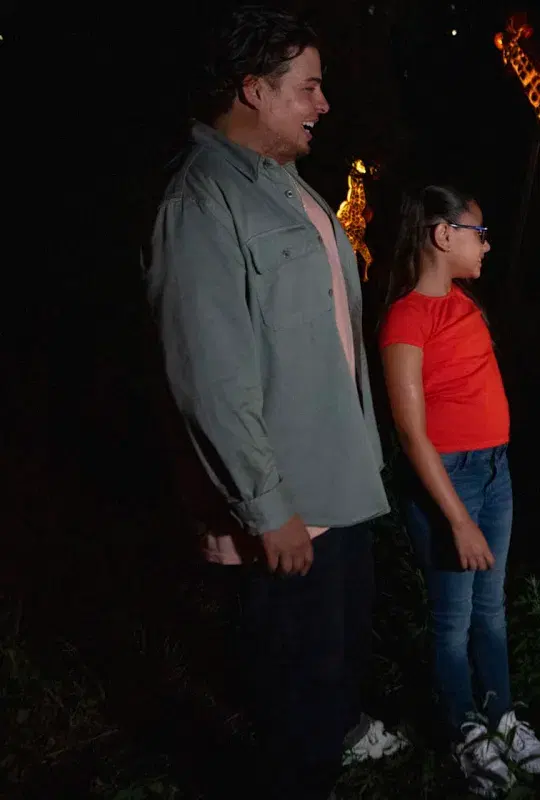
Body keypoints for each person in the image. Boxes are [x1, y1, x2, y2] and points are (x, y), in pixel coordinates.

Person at [143, 6, 405, 798]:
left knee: (337, 657)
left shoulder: (286, 186)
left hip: (340, 481)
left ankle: (335, 739)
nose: (323, 104)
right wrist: (266, 506)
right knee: (291, 692)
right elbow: (210, 378)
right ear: (254, 90)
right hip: (289, 507)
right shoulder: (200, 205)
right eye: (308, 88)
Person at [378, 185, 540, 795]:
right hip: (448, 482)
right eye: (477, 232)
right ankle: (464, 732)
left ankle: (502, 720)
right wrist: (456, 518)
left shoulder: (467, 305)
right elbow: (410, 433)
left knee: (492, 610)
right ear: (442, 235)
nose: (486, 244)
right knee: (453, 621)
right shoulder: (406, 317)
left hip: (493, 471)